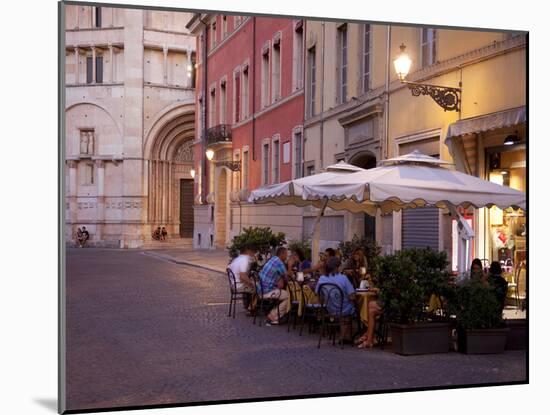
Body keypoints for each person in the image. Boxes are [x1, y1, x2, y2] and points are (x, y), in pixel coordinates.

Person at [315, 256, 356, 342]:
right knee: (351, 306)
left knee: (345, 306)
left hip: (329, 308)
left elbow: (318, 294)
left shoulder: (322, 278)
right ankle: (343, 336)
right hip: (343, 309)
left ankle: (346, 337)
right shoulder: (343, 278)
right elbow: (352, 296)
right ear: (337, 267)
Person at [258, 247, 290, 325]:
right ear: (282, 254)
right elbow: (288, 278)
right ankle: (273, 316)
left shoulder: (273, 259)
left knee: (282, 291)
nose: (287, 256)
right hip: (267, 291)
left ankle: (276, 314)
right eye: (286, 254)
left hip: (260, 289)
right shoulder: (279, 263)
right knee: (289, 296)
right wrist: (290, 265)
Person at [228, 245, 257, 310]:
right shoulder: (245, 260)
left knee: (250, 283)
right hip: (239, 285)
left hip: (234, 284)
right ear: (249, 251)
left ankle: (248, 305)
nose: (253, 254)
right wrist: (252, 284)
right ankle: (251, 309)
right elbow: (243, 277)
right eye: (253, 252)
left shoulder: (238, 258)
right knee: (259, 289)